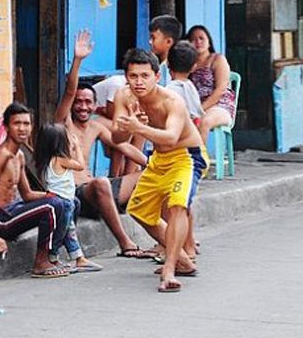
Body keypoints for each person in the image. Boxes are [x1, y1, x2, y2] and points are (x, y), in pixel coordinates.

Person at [113, 48, 207, 293]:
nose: (139, 82)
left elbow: (170, 137)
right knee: (139, 211)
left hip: (186, 157)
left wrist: (139, 129)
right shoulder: (124, 97)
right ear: (126, 77)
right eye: (134, 76)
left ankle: (170, 268)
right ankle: (183, 262)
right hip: (159, 159)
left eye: (145, 75)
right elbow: (116, 135)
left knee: (178, 204)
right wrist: (130, 127)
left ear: (157, 76)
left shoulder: (171, 101)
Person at [55, 30, 151, 259]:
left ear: (95, 104)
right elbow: (69, 91)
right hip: (77, 193)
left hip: (99, 190)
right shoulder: (64, 122)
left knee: (157, 174)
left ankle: (168, 239)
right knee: (100, 183)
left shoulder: (97, 126)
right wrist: (78, 60)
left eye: (88, 102)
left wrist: (154, 164)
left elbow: (124, 148)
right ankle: (126, 244)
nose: (83, 107)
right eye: (78, 103)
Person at [0, 103, 69, 278]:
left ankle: (52, 257)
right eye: (16, 123)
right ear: (6, 127)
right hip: (3, 219)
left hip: (16, 210)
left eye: (26, 124)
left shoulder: (19, 156)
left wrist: (54, 195)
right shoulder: (2, 154)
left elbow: (27, 194)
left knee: (64, 201)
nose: (22, 128)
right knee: (52, 206)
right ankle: (40, 263)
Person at [34, 124, 102, 273]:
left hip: (63, 201)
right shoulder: (60, 160)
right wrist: (77, 147)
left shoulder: (47, 162)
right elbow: (80, 166)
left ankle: (78, 257)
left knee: (67, 231)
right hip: (64, 202)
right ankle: (55, 257)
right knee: (63, 231)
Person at [166, 40, 205, 260]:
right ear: (193, 67)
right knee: (182, 202)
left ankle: (186, 247)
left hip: (180, 151)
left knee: (179, 203)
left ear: (167, 66)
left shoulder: (170, 92)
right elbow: (198, 118)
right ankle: (181, 245)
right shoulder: (190, 88)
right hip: (192, 148)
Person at [186, 24, 236, 144]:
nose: (198, 42)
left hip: (220, 106)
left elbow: (220, 90)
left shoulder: (218, 60)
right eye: (193, 39)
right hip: (197, 107)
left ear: (209, 42)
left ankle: (199, 161)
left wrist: (200, 109)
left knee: (204, 121)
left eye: (201, 38)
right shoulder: (189, 65)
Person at [148, 15, 183, 86]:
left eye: (153, 38)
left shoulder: (173, 69)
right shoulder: (160, 66)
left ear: (168, 42)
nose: (150, 42)